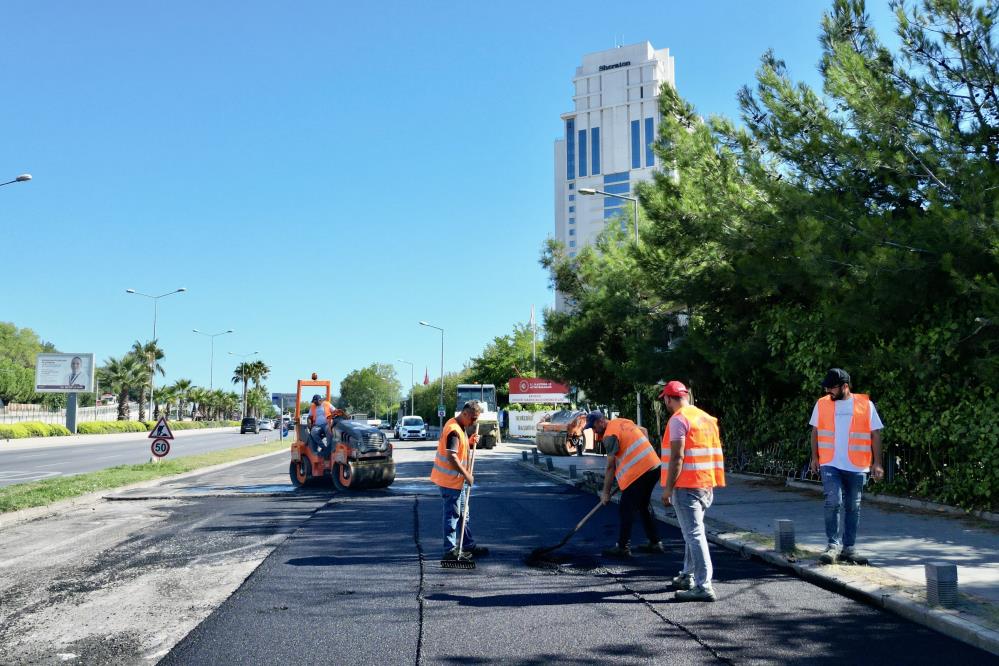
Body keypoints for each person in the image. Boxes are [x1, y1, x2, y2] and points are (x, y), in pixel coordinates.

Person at [809, 368, 884, 565]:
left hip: (857, 465)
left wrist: (877, 463)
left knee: (853, 506)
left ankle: (848, 548)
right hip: (830, 462)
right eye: (826, 387)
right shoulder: (822, 403)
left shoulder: (865, 405)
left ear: (845, 386)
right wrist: (814, 457)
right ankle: (832, 546)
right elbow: (815, 431)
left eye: (831, 387)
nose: (828, 391)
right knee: (833, 501)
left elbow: (875, 434)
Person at [660, 380, 724, 602]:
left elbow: (677, 457)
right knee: (692, 531)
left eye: (665, 400)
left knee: (694, 534)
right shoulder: (705, 418)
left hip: (686, 486)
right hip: (706, 483)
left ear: (668, 399)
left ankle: (703, 585)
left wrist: (668, 489)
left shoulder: (679, 420)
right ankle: (688, 575)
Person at [578, 410, 664, 557]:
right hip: (654, 467)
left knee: (626, 508)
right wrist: (645, 454)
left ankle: (623, 547)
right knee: (643, 505)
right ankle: (655, 543)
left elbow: (610, 466)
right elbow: (644, 430)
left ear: (600, 421)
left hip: (640, 472)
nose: (593, 430)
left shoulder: (609, 436)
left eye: (593, 427)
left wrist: (605, 493)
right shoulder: (622, 422)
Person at [431, 400, 488, 562]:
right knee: (453, 515)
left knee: (463, 514)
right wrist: (467, 475)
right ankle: (450, 551)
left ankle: (467, 545)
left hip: (456, 481)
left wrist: (469, 441)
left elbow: (457, 448)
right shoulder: (454, 430)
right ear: (464, 413)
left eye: (476, 419)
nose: (474, 422)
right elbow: (452, 456)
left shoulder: (458, 425)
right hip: (450, 481)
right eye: (473, 418)